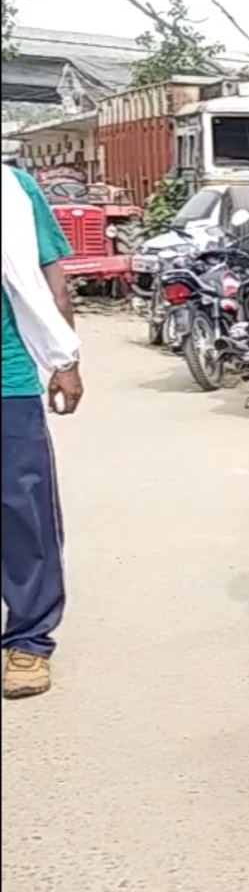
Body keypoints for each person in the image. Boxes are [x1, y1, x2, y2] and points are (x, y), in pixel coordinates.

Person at [0, 164, 83, 701]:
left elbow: (54, 278)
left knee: (22, 511)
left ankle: (28, 639)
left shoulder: (12, 188)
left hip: (7, 377)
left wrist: (65, 359)